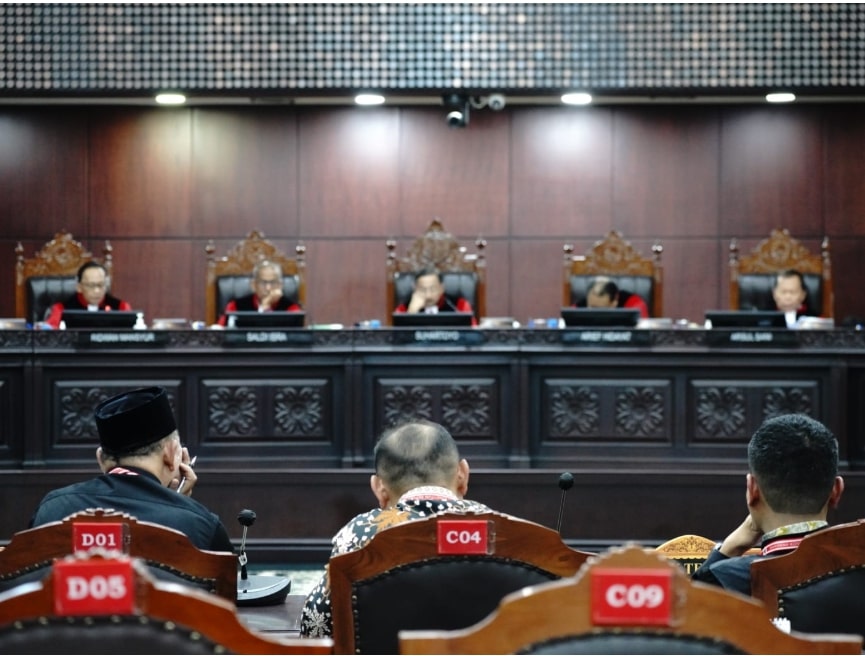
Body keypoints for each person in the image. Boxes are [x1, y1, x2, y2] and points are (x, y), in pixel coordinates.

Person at [299, 419, 492, 638]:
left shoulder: (358, 535)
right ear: (463, 474)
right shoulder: (501, 530)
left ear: (379, 487)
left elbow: (317, 620)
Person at [29, 386, 235, 553]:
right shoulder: (200, 524)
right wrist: (179, 504)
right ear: (171, 455)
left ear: (101, 458)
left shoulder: (51, 508)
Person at [691, 413, 844, 596]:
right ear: (836, 490)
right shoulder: (857, 568)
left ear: (752, 489)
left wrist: (730, 548)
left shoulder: (726, 579)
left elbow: (691, 607)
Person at [43, 261, 132, 329]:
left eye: (101, 285)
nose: (97, 291)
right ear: (79, 287)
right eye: (91, 285)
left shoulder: (121, 307)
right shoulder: (61, 309)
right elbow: (49, 336)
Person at [217, 259, 301, 327]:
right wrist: (264, 307)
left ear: (280, 285)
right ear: (253, 285)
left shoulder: (291, 309)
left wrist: (266, 306)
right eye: (263, 283)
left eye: (273, 282)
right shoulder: (235, 306)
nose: (268, 288)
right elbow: (219, 331)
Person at [393, 267, 477, 325]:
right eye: (422, 290)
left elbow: (473, 334)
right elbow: (397, 340)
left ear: (442, 288)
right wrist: (411, 312)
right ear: (414, 288)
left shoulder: (460, 305)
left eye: (433, 289)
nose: (428, 295)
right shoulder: (403, 309)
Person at [579, 275, 649, 318]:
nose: (595, 313)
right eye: (592, 307)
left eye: (600, 309)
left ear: (614, 302)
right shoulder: (580, 306)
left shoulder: (634, 304)